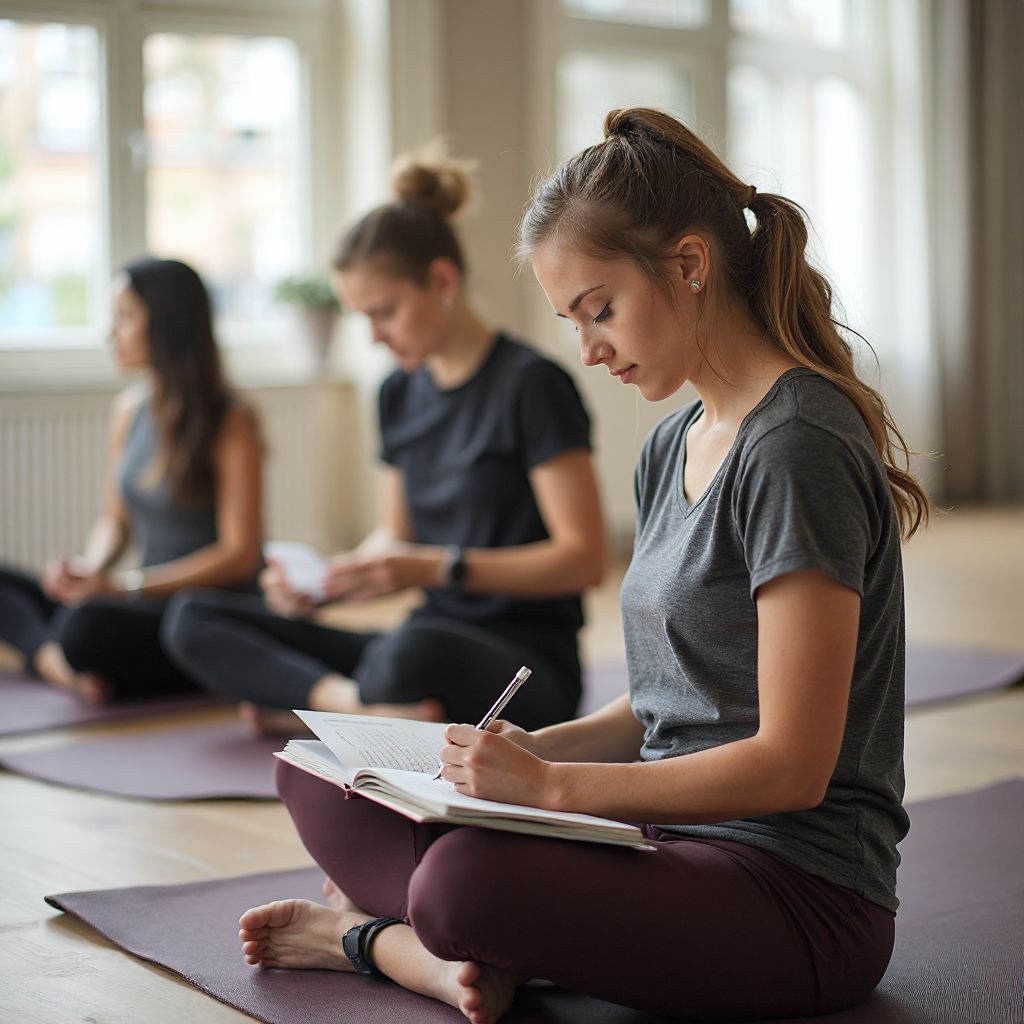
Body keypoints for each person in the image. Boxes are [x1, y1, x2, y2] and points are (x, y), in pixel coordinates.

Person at [233, 107, 929, 1022]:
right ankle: (466, 948)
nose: (589, 347)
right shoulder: (669, 444)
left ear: (688, 265)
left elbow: (792, 768)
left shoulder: (795, 446)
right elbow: (656, 706)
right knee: (316, 776)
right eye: (572, 321)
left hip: (796, 895)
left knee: (459, 888)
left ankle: (376, 942)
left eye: (600, 310)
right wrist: (522, 754)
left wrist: (553, 790)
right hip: (658, 840)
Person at [161, 150, 605, 733]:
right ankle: (352, 706)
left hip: (521, 665)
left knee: (408, 653)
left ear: (441, 281)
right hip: (423, 636)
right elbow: (396, 533)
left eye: (385, 312)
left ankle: (317, 706)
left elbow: (585, 560)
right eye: (361, 318)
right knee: (192, 616)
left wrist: (433, 569)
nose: (374, 337)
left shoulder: (532, 386)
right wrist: (329, 584)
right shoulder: (396, 393)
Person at [0, 258, 263, 704]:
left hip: (197, 614)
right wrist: (89, 570)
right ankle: (57, 664)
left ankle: (66, 657)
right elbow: (114, 519)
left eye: (124, 316)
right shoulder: (128, 410)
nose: (110, 332)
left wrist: (125, 587)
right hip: (137, 600)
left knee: (87, 629)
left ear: (165, 324)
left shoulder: (230, 420)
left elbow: (240, 556)